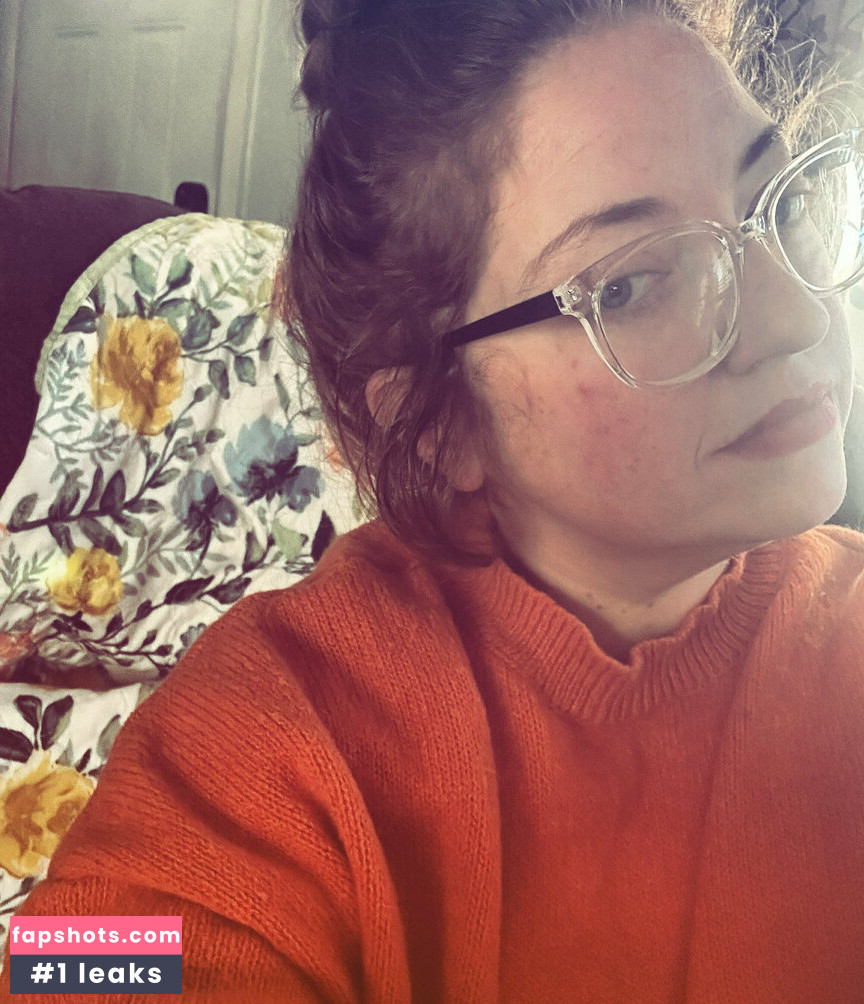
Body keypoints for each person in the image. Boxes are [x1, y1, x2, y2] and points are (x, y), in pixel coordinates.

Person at [4, 0, 864, 1000]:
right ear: (440, 419)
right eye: (632, 284)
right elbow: (79, 961)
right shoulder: (267, 729)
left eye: (779, 205)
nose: (799, 314)